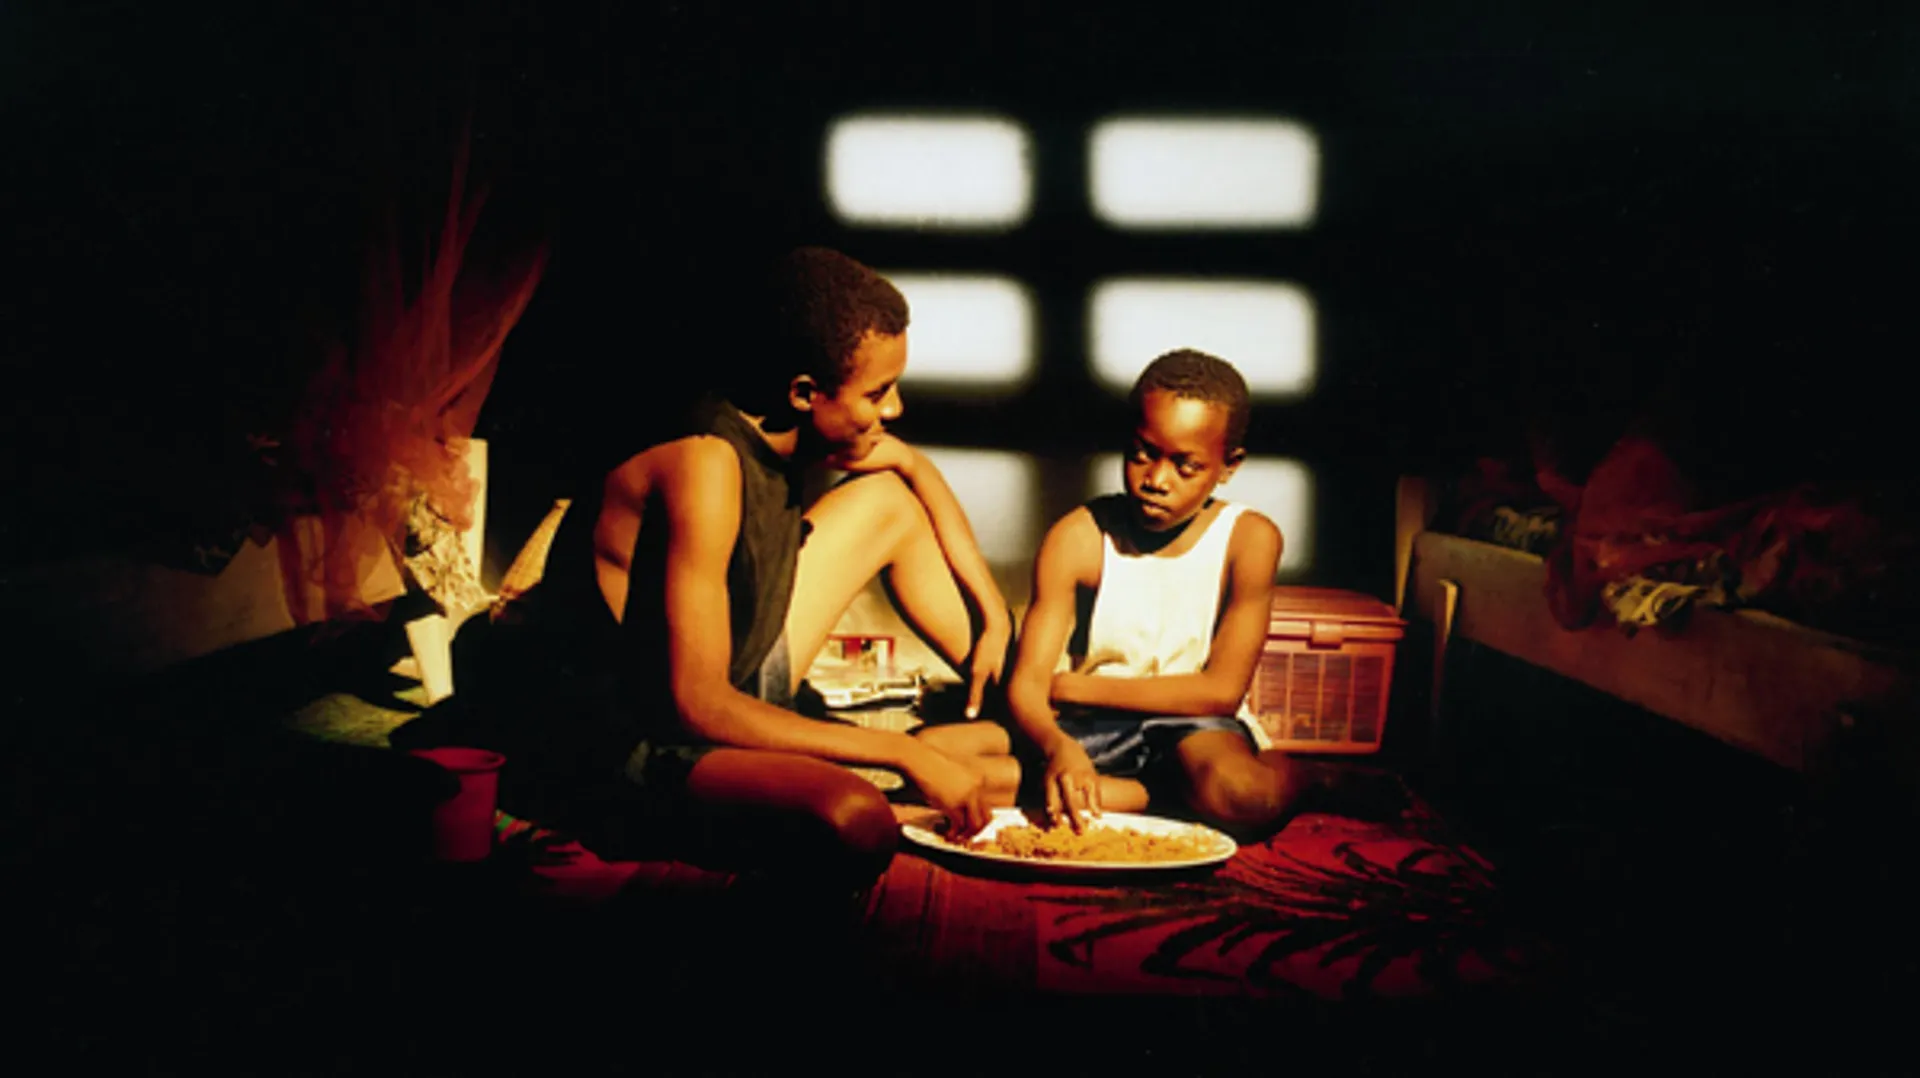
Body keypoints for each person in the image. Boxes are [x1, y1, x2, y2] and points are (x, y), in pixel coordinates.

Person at [442, 246, 1011, 891]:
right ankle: (908, 768)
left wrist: (993, 615)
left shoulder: (795, 426)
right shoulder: (706, 463)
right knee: (856, 821)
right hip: (642, 739)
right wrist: (902, 751)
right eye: (878, 393)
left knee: (890, 505)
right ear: (804, 393)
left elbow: (911, 470)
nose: (895, 409)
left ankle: (1028, 710)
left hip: (739, 673)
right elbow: (696, 705)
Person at [916, 348, 1313, 839]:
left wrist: (1074, 688)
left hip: (1192, 728)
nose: (1156, 480)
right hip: (1086, 727)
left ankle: (1310, 778)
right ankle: (1151, 795)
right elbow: (1029, 686)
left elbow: (1219, 692)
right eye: (1143, 453)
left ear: (1228, 466)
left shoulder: (1249, 539)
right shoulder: (1079, 536)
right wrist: (1058, 747)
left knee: (1243, 795)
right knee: (929, 756)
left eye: (1185, 466)